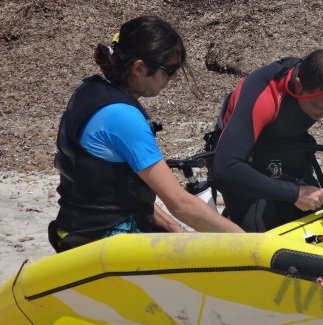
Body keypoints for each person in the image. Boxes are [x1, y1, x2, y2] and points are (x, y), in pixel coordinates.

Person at [48, 15, 244, 252]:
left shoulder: (89, 90)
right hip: (104, 243)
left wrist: (174, 229)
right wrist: (247, 241)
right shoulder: (124, 118)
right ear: (139, 68)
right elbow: (180, 204)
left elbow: (119, 190)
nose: (173, 78)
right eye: (169, 70)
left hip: (73, 228)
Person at [210, 48, 323, 232]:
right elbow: (225, 167)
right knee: (264, 228)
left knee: (317, 222)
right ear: (298, 85)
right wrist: (295, 193)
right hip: (244, 163)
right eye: (320, 109)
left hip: (288, 151)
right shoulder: (265, 93)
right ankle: (229, 222)